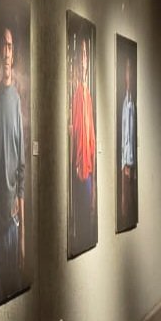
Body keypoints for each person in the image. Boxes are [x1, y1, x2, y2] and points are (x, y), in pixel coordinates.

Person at [0, 27, 25, 298]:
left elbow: (22, 171)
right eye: (3, 45)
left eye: (10, 46)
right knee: (1, 294)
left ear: (14, 53)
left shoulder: (17, 101)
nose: (6, 52)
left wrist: (23, 238)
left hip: (14, 221)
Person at [70, 35, 96, 250]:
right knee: (82, 217)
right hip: (81, 172)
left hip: (88, 170)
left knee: (88, 216)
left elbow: (91, 138)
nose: (83, 60)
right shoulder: (78, 94)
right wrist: (78, 165)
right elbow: (76, 133)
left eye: (86, 55)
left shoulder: (87, 95)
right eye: (81, 55)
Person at [119, 56, 137, 225]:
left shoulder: (132, 103)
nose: (129, 76)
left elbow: (131, 136)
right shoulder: (125, 102)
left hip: (130, 164)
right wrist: (124, 163)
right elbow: (124, 136)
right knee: (125, 206)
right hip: (126, 164)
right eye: (127, 72)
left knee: (129, 204)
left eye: (131, 71)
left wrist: (130, 164)